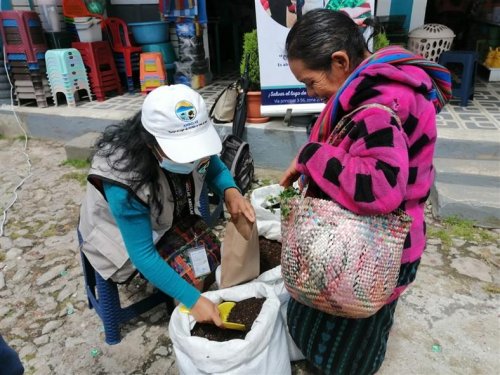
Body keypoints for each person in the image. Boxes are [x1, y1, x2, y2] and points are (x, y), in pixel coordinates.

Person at [280, 9, 451, 375]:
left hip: (378, 253)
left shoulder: (378, 108)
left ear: (340, 62)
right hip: (392, 242)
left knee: (350, 345)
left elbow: (380, 189)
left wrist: (312, 154)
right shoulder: (382, 84)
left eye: (310, 82)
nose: (311, 93)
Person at [79, 84, 255, 326]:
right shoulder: (124, 181)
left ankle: (188, 298)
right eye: (184, 153)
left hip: (168, 213)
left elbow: (210, 166)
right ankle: (185, 313)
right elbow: (142, 254)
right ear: (151, 142)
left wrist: (230, 190)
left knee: (209, 253)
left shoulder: (192, 156)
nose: (193, 159)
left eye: (196, 150)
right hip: (120, 232)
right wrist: (192, 299)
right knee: (191, 278)